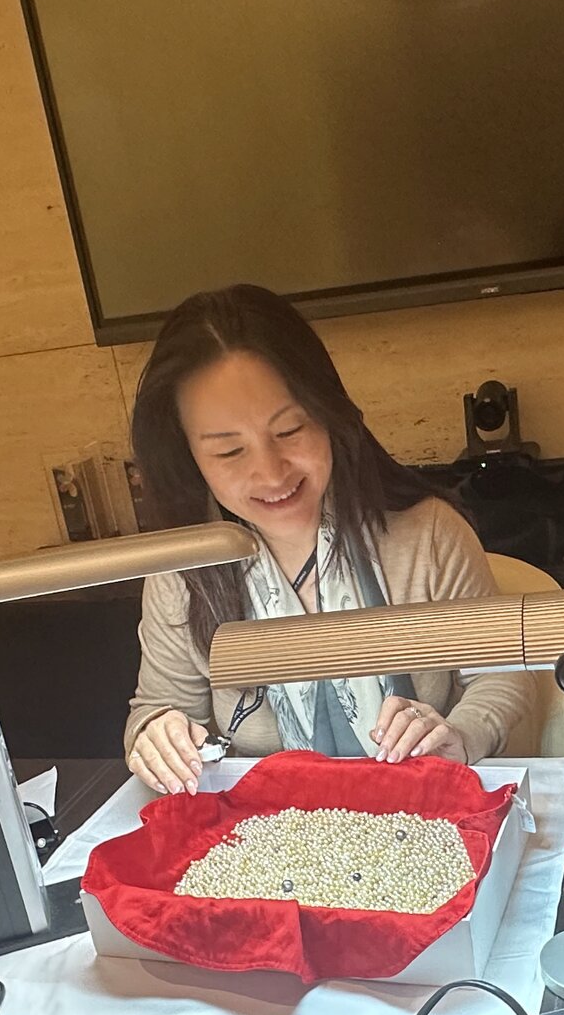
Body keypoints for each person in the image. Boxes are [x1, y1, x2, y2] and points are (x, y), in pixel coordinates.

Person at [124, 284, 533, 795]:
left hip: (427, 813)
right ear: (189, 458)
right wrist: (157, 735)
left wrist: (459, 735)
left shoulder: (427, 535)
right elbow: (157, 709)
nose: (271, 473)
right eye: (229, 452)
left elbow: (499, 675)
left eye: (291, 430)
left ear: (329, 414)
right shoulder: (184, 569)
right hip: (268, 834)